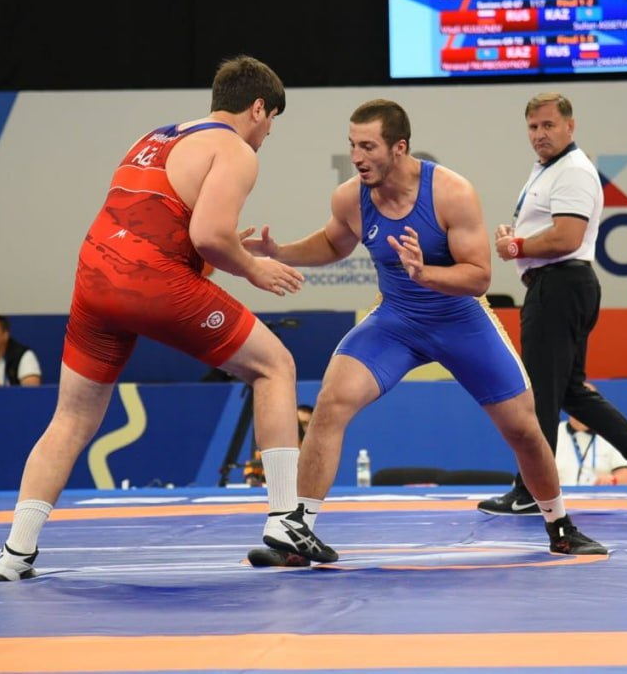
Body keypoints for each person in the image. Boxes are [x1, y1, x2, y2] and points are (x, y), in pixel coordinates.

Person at [0, 55, 336, 580]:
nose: (268, 134)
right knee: (275, 366)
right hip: (146, 278)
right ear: (259, 107)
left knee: (73, 418)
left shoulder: (155, 136)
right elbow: (207, 239)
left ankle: (15, 553)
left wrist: (218, 257)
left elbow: (162, 226)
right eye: (272, 121)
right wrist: (252, 269)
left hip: (94, 275)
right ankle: (285, 520)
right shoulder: (235, 149)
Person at [244, 99, 608, 563]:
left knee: (523, 429)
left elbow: (479, 277)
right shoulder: (351, 196)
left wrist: (426, 275)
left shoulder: (451, 193)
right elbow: (335, 241)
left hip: (460, 321)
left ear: (399, 148)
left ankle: (559, 526)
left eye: (368, 146)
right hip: (397, 322)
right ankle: (299, 532)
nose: (357, 157)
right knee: (331, 405)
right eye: (352, 145)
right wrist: (280, 252)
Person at [479, 92, 627, 517]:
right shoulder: (551, 170)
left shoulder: (574, 171)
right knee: (566, 391)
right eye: (533, 127)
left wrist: (517, 245)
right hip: (561, 285)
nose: (539, 134)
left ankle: (531, 489)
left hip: (560, 285)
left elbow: (566, 238)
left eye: (548, 125)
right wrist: (523, 240)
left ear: (570, 125)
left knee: (542, 395)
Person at [556, 406, 627, 486]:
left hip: (600, 497)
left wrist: (613, 480)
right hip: (561, 496)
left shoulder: (613, 434)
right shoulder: (553, 433)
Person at [245, 403, 314, 486]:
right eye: (295, 423)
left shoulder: (320, 455)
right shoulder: (270, 448)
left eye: (304, 424)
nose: (298, 428)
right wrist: (252, 478)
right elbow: (252, 469)